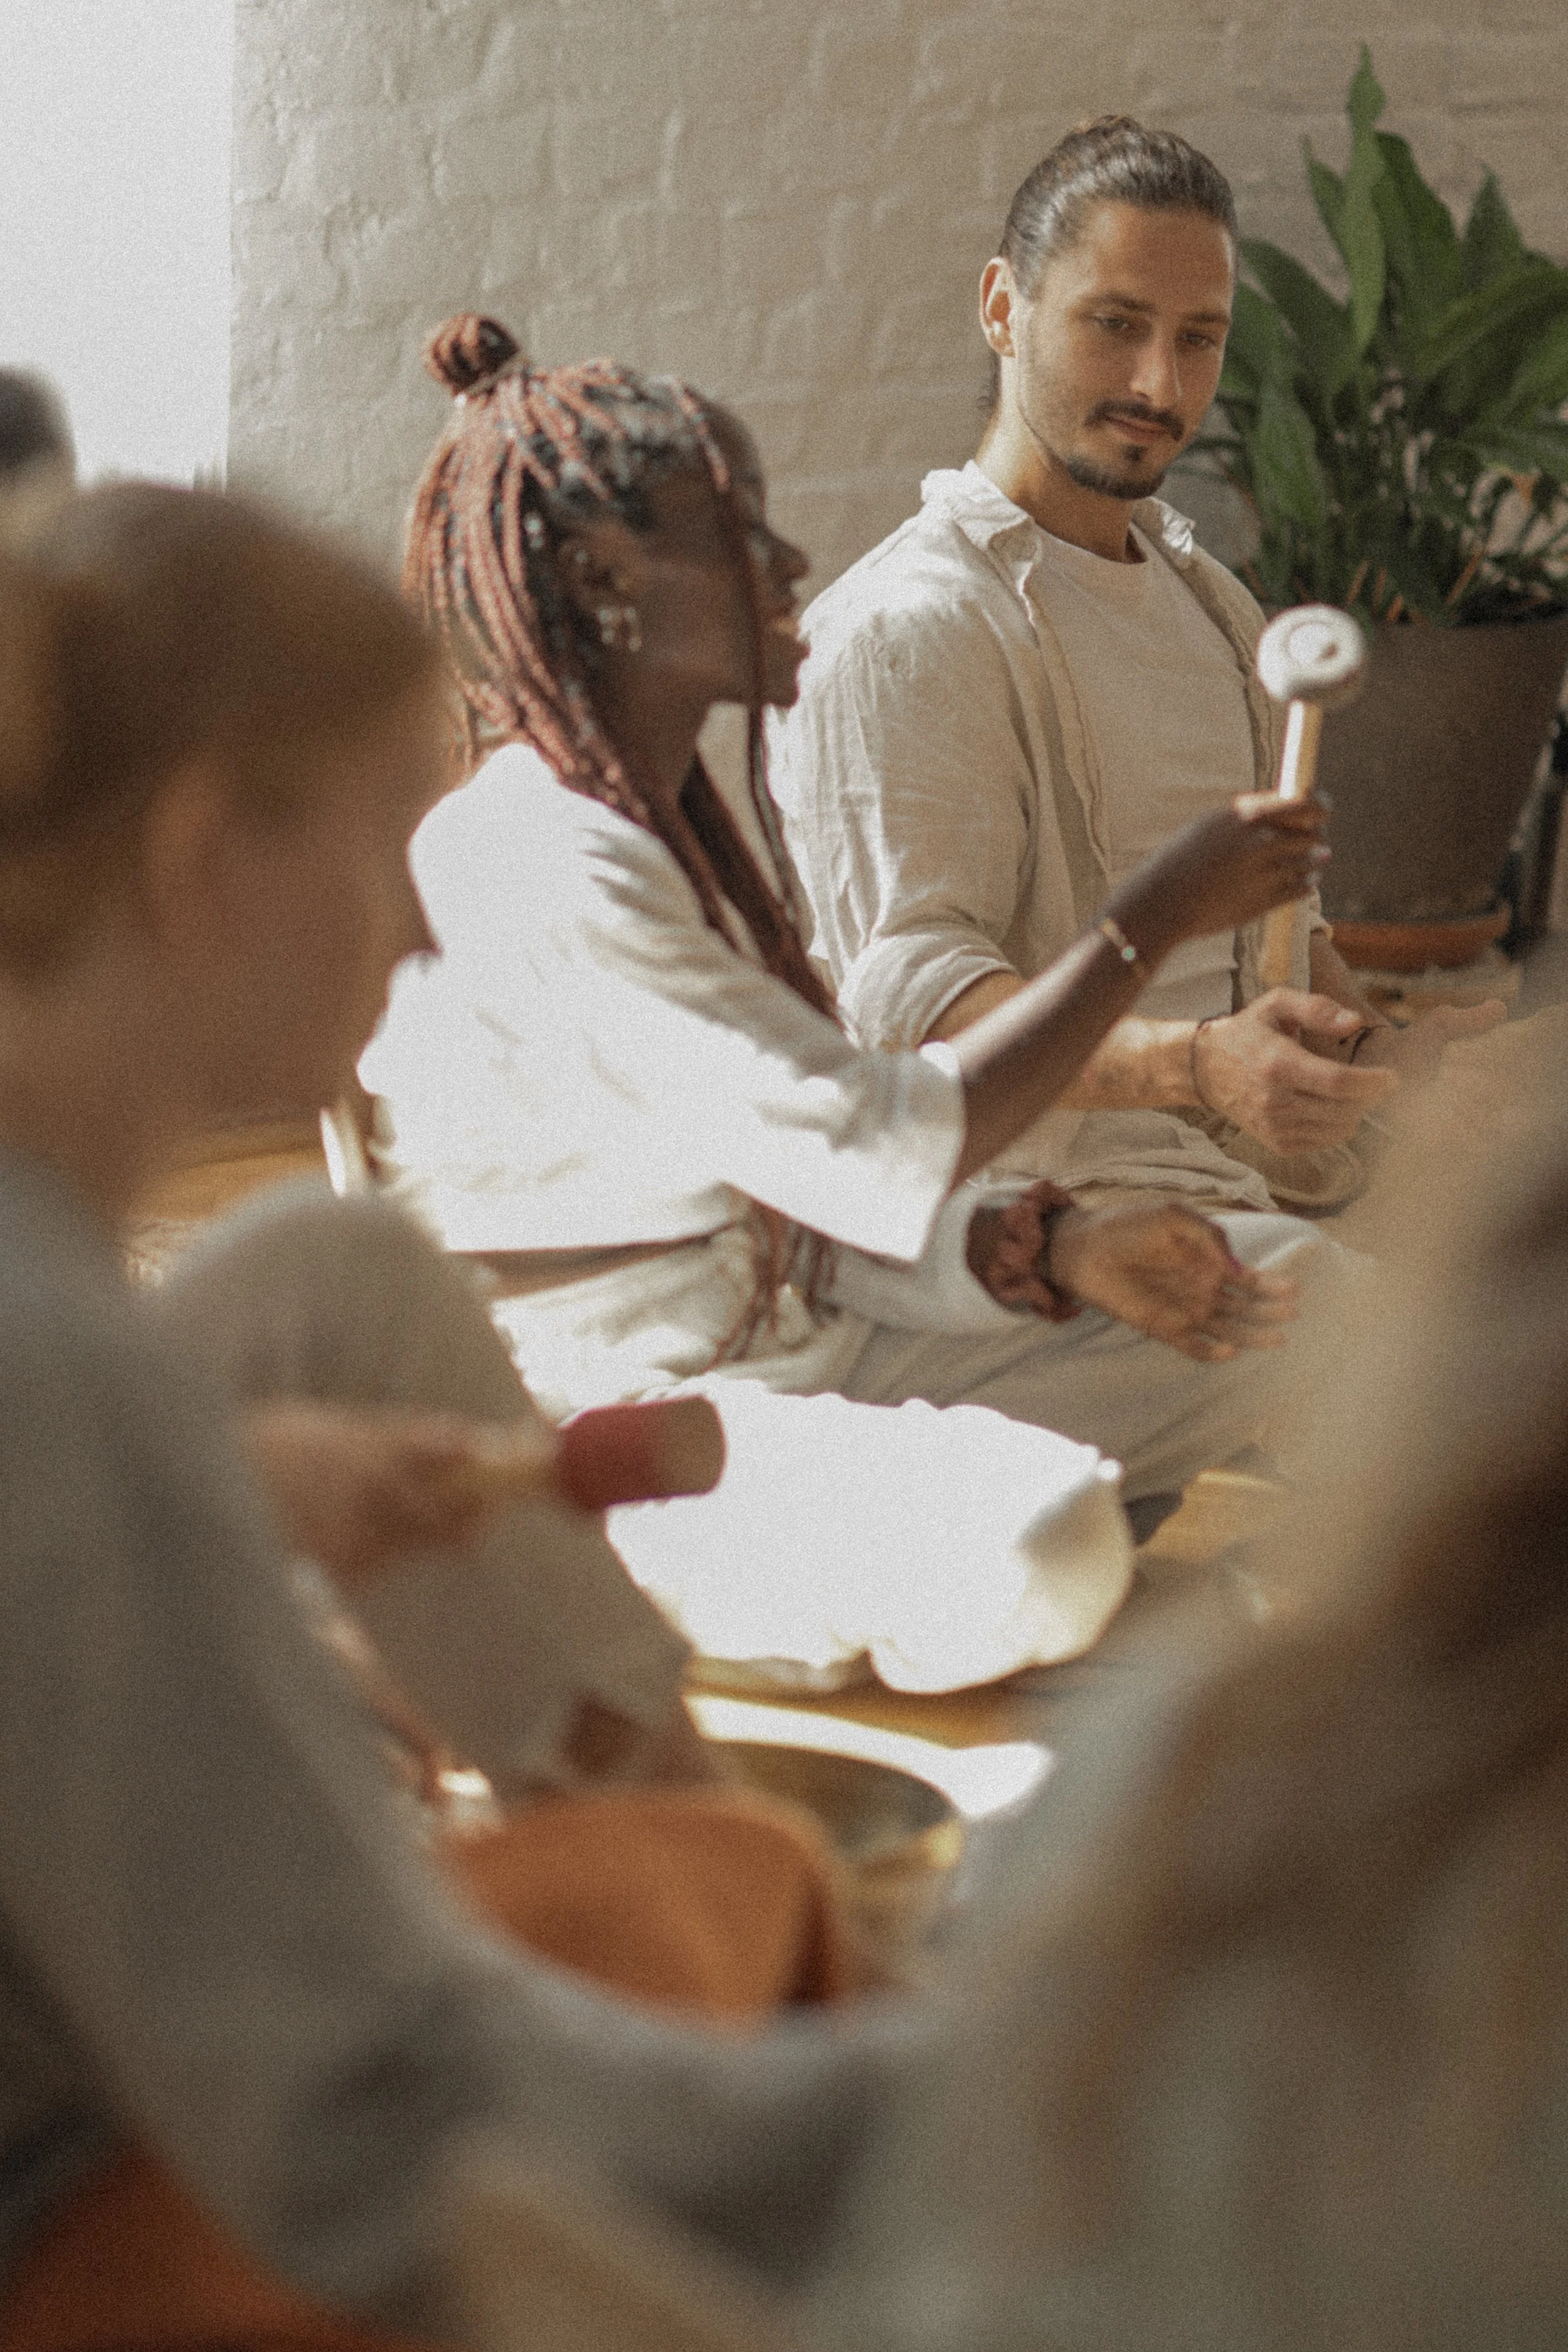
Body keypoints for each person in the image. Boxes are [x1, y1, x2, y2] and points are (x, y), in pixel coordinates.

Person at [0, 484, 873, 2352]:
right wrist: (1029, 2104)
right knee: (727, 1890)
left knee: (337, 1264)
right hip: (71, 2226)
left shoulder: (66, 1341)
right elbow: (372, 2136)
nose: (420, 923)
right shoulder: (54, 1369)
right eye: (401, 838)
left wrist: (212, 1507)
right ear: (207, 853)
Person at [361, 314, 1333, 1688]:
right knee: (1044, 1544)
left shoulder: (660, 827)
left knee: (1307, 1291)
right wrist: (1154, 911)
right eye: (735, 532)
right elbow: (877, 1140)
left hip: (820, 1348)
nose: (787, 562)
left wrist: (1052, 1252)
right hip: (634, 1425)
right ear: (598, 576)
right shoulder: (539, 859)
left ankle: (916, 1519)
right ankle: (662, 1574)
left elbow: (802, 1210)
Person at [770, 115, 1503, 1229]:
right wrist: (1199, 1068)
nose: (1160, 382)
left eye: (1199, 337)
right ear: (1002, 308)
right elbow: (913, 1013)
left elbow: (1284, 938)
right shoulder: (900, 633)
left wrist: (1389, 1053)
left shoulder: (1214, 608)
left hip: (1273, 1179)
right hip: (1064, 1209)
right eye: (1115, 324)